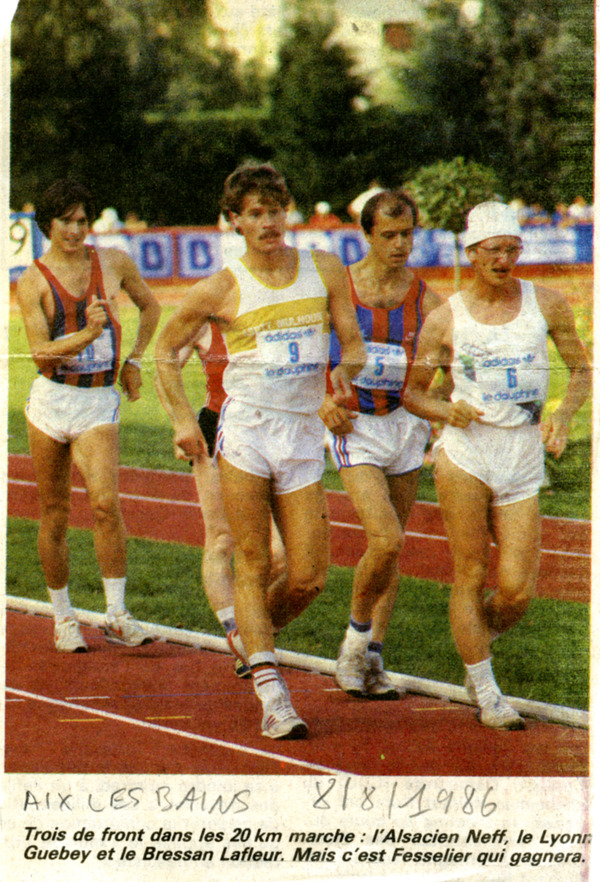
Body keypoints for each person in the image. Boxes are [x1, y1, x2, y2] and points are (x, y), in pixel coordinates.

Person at [155, 162, 366, 740]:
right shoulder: (221, 286)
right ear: (236, 222)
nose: (268, 222)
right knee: (250, 563)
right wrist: (180, 418)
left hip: (301, 435)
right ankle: (274, 697)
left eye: (275, 210)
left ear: (288, 210)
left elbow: (352, 348)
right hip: (245, 434)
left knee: (308, 577)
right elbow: (164, 352)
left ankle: (251, 640)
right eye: (254, 214)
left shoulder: (324, 270)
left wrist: (340, 385)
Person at [403, 201, 591, 730]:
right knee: (470, 572)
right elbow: (414, 394)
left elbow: (582, 369)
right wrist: (446, 408)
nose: (504, 259)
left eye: (512, 249)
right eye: (493, 251)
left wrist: (565, 413)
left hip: (523, 450)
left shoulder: (547, 304)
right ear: (472, 253)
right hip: (467, 452)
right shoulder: (446, 318)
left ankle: (475, 644)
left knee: (516, 590)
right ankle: (486, 689)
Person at [16, 179, 161, 652]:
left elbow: (151, 305)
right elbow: (41, 356)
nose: (76, 230)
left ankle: (117, 613)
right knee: (55, 513)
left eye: (82, 220)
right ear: (48, 225)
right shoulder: (34, 281)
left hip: (98, 399)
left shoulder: (113, 262)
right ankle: (63, 617)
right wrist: (87, 332)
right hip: (52, 402)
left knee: (104, 504)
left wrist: (135, 359)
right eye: (66, 221)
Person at [319, 189, 445, 700]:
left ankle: (373, 657)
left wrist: (444, 408)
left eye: (407, 234)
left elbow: (447, 366)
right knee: (386, 539)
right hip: (356, 425)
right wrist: (322, 399)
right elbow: (306, 354)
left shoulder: (428, 301)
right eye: (388, 235)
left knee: (393, 550)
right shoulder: (340, 289)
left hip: (404, 427)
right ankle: (353, 642)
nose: (399, 244)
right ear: (367, 234)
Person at [154, 321, 287, 679]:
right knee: (221, 539)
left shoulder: (274, 314)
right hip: (214, 428)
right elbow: (163, 372)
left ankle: (252, 632)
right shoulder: (202, 323)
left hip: (267, 431)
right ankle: (238, 636)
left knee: (281, 555)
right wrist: (182, 423)